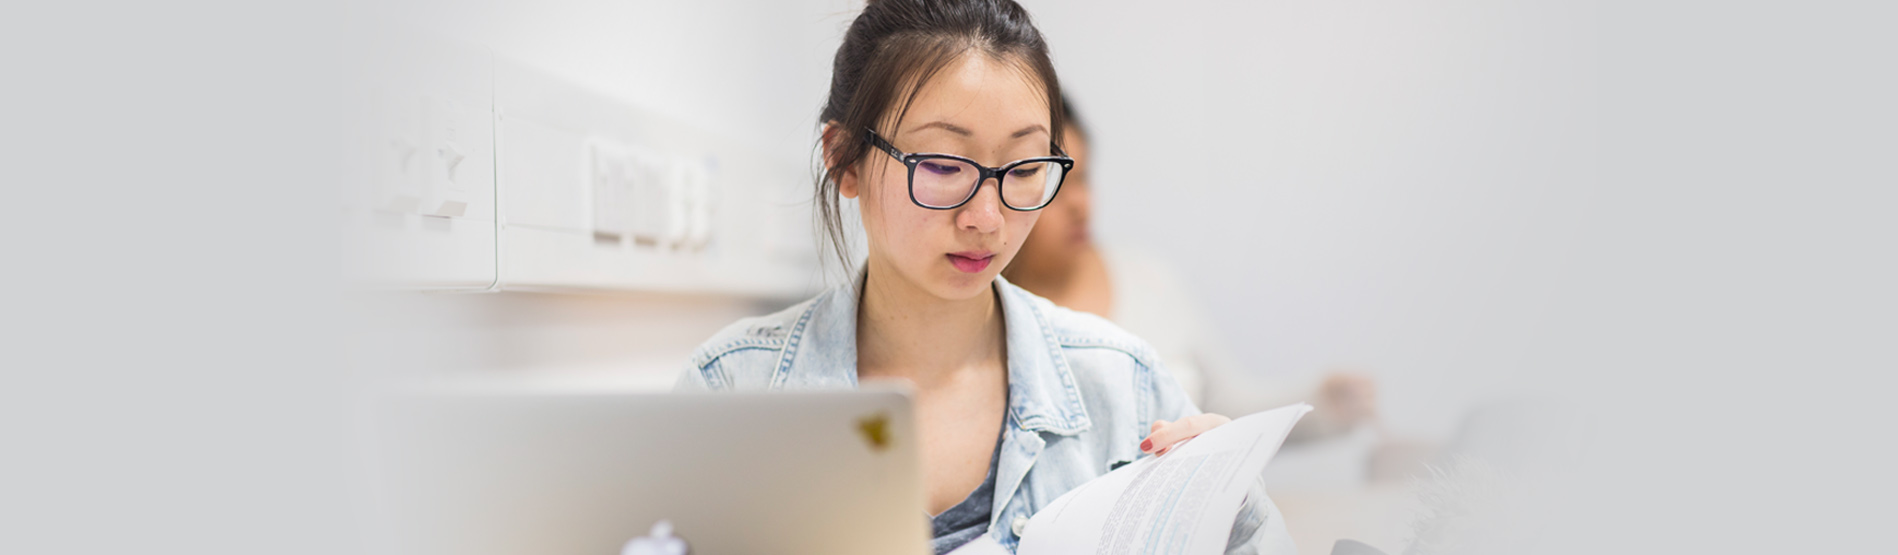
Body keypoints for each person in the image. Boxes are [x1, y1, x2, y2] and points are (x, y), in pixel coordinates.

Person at [675, 1, 1295, 553]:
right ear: (844, 159)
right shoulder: (733, 389)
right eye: (944, 164)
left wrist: (1229, 507)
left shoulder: (1124, 388)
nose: (987, 219)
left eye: (1024, 166)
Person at [1001, 98, 1378, 443]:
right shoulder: (991, 320)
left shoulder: (1150, 281)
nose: (1079, 204)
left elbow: (1225, 409)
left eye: (1082, 178)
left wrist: (1320, 406)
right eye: (1055, 184)